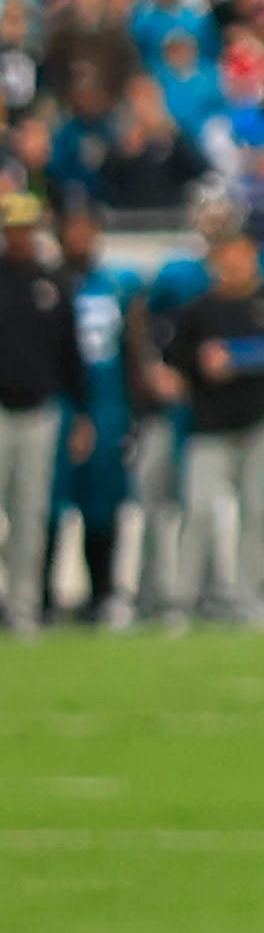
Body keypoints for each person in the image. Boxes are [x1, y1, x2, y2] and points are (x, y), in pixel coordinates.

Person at [145, 212, 264, 628]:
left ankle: (250, 596)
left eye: (241, 255)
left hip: (260, 423)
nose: (234, 264)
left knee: (255, 510)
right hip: (210, 426)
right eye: (226, 257)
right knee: (197, 510)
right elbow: (175, 372)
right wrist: (199, 369)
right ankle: (182, 599)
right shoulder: (197, 312)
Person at [0, 191, 78, 633]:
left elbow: (70, 353)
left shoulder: (52, 283)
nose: (21, 236)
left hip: (40, 410)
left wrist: (79, 409)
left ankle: (23, 606)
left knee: (31, 512)